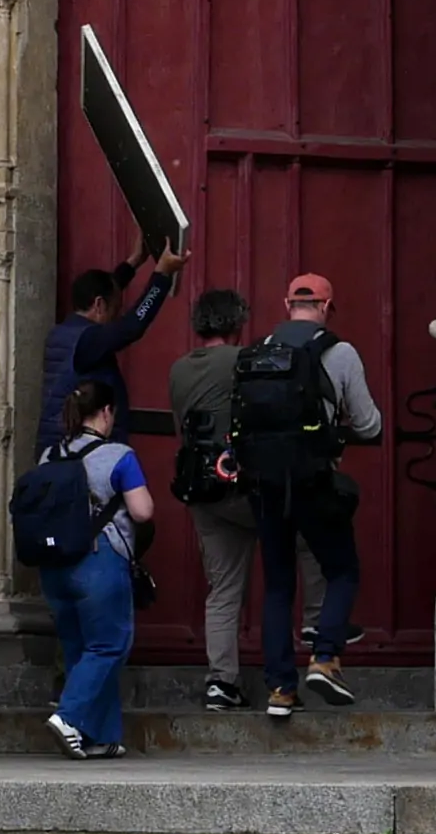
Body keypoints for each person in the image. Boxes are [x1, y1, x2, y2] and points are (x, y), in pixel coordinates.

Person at [242, 273, 384, 722]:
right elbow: (369, 424)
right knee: (342, 569)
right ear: (326, 307)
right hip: (312, 479)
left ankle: (281, 689)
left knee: (278, 584)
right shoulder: (338, 352)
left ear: (288, 304)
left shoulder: (258, 351)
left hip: (264, 482)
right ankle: (325, 658)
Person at [30, 379, 150, 759]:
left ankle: (99, 736)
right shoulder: (119, 455)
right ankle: (69, 717)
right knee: (110, 644)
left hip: (54, 566)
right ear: (107, 412)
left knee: (81, 649)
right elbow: (143, 510)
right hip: (98, 561)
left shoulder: (50, 456)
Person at [163, 290, 269, 713]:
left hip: (201, 487)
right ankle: (301, 662)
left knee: (223, 589)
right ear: (237, 323)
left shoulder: (177, 370)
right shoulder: (245, 362)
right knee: (293, 560)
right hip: (247, 484)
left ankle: (222, 681)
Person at [35, 243, 175, 451]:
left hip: (57, 451)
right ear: (99, 305)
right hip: (79, 457)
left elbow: (107, 289)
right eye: (115, 310)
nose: (116, 318)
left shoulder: (65, 332)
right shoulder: (89, 340)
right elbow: (132, 327)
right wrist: (162, 275)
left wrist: (134, 261)